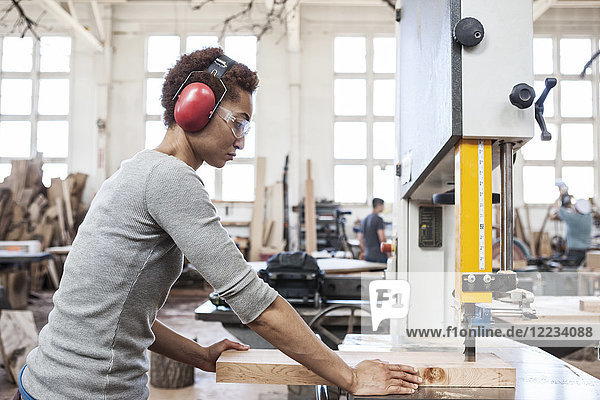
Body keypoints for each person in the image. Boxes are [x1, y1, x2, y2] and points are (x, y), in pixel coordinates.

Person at [17, 48, 420, 399]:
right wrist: (348, 376)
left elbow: (119, 314)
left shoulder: (137, 170)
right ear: (195, 106)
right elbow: (253, 302)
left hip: (47, 382)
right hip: (85, 392)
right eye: (239, 122)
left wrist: (200, 356)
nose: (242, 141)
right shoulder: (170, 178)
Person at [553, 196, 593, 265]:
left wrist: (561, 194)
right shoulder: (589, 217)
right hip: (586, 252)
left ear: (576, 209)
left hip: (574, 253)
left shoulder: (572, 218)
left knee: (572, 272)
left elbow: (556, 205)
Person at [358, 198, 388, 263]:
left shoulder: (364, 220)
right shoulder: (379, 219)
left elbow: (360, 238)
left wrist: (365, 251)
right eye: (383, 205)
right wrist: (388, 254)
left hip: (368, 255)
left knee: (371, 273)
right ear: (378, 206)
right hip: (379, 256)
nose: (383, 207)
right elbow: (382, 239)